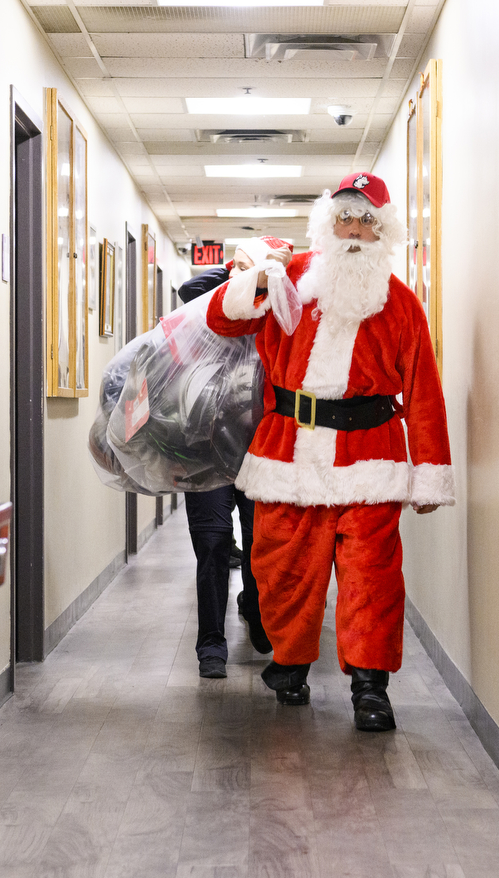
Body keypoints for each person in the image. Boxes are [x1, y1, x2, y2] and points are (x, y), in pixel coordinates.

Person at [205, 173, 454, 730]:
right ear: (327, 222)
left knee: (373, 578)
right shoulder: (289, 278)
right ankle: (289, 665)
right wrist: (253, 283)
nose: (355, 230)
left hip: (370, 460)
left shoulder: (402, 305)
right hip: (287, 455)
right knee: (282, 568)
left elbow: (423, 394)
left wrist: (429, 473)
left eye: (369, 221)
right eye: (346, 217)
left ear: (383, 233)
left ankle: (370, 689)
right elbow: (222, 319)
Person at [177, 236, 292, 678]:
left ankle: (256, 611)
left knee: (259, 542)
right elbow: (190, 290)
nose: (238, 274)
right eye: (233, 267)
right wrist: (240, 271)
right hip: (205, 450)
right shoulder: (212, 305)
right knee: (212, 544)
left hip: (259, 451)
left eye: (251, 267)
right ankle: (211, 644)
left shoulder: (278, 317)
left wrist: (274, 274)